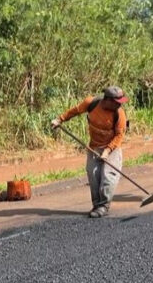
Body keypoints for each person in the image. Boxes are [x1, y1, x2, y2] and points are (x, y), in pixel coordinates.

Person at [52, 86, 128, 218]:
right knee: (93, 174)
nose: (119, 105)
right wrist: (60, 119)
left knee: (108, 176)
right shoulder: (91, 103)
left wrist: (107, 151)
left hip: (112, 147)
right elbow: (75, 111)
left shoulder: (119, 113)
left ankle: (104, 205)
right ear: (108, 100)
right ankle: (97, 204)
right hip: (94, 146)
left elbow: (120, 135)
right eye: (117, 102)